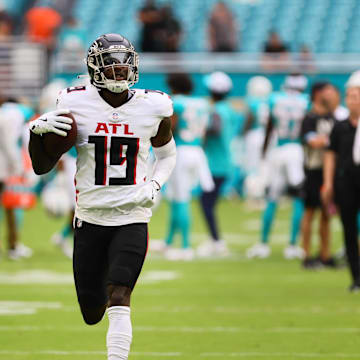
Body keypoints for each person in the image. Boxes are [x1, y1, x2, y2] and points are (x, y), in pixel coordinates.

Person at [28, 34, 176, 359]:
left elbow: (167, 155)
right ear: (95, 69)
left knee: (120, 296)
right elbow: (41, 167)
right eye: (112, 68)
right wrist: (35, 137)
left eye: (124, 68)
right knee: (92, 311)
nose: (119, 74)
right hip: (90, 217)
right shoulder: (73, 103)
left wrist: (155, 185)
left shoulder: (154, 106)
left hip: (133, 215)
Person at [246, 74, 309, 259]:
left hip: (278, 150)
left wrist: (265, 154)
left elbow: (269, 128)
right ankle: (292, 245)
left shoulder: (274, 99)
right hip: (296, 150)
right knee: (298, 197)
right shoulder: (305, 101)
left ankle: (263, 243)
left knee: (272, 197)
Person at [163, 73, 214, 260]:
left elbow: (170, 128)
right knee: (177, 197)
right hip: (197, 151)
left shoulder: (176, 102)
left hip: (181, 152)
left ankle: (185, 246)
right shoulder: (202, 103)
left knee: (180, 199)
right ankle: (169, 241)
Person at [322, 72, 360, 292]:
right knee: (348, 228)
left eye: (355, 96)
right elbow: (330, 154)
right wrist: (328, 183)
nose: (351, 100)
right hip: (345, 181)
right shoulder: (340, 126)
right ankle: (356, 277)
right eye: (349, 96)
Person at [197, 71, 238, 257]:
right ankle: (215, 239)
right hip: (224, 161)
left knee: (206, 203)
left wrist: (201, 133)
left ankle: (216, 241)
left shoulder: (216, 110)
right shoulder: (229, 109)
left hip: (215, 163)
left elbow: (215, 129)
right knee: (208, 203)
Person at [300, 82, 336, 269]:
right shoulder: (309, 118)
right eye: (328, 90)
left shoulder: (331, 117)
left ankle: (325, 254)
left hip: (329, 171)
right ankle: (306, 254)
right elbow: (312, 141)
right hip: (313, 169)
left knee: (326, 213)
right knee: (310, 211)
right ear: (318, 94)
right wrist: (330, 140)